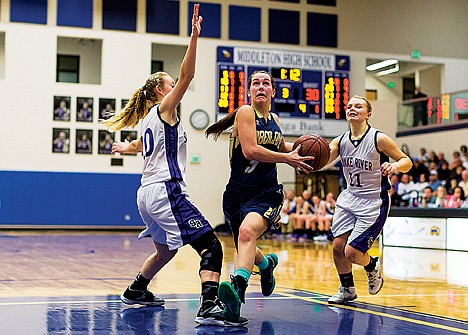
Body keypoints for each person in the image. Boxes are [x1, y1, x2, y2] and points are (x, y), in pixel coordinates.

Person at [101, 4, 246, 327]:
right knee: (211, 246)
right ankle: (208, 307)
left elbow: (142, 145)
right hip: (167, 190)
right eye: (169, 85)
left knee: (166, 250)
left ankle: (136, 289)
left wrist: (127, 147)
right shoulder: (165, 108)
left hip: (146, 194)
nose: (174, 89)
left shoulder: (149, 120)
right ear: (159, 91)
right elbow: (188, 75)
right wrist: (194, 37)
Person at [205, 70, 314, 322]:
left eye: (266, 83)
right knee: (246, 243)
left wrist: (302, 152)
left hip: (266, 192)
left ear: (273, 91)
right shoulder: (245, 112)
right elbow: (251, 150)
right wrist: (287, 158)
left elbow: (281, 146)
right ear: (250, 91)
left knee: (246, 234)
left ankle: (236, 291)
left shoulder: (274, 118)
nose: (261, 87)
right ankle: (266, 266)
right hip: (237, 193)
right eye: (256, 83)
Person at [324, 95, 412, 305]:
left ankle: (371, 265)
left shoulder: (378, 139)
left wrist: (395, 167)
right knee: (337, 247)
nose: (353, 109)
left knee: (352, 253)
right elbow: (322, 161)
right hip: (349, 198)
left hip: (374, 201)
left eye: (358, 106)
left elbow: (406, 161)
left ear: (368, 114)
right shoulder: (340, 141)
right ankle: (347, 290)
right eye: (349, 106)